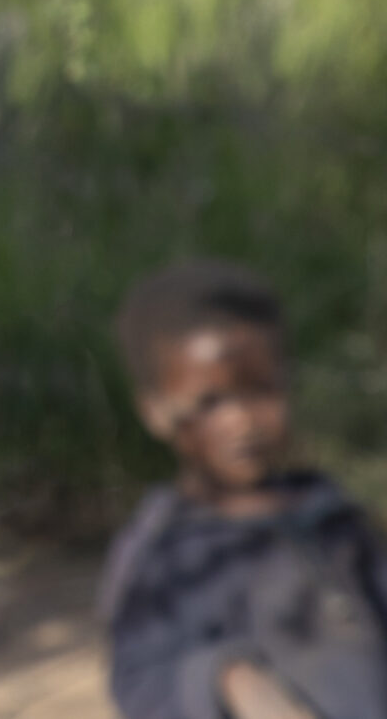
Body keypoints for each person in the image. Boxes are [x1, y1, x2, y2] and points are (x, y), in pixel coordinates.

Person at [100, 260, 387, 719]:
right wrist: (231, 680)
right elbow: (141, 680)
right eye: (209, 403)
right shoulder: (167, 556)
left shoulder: (332, 513)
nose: (242, 421)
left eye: (261, 391)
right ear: (155, 410)